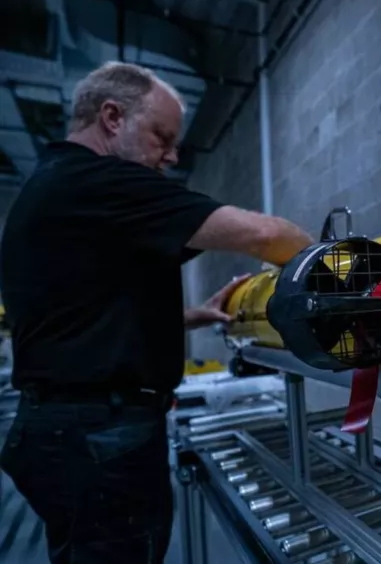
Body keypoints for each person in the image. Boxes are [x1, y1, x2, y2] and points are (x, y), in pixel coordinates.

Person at [0, 61, 314, 563]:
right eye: (161, 137)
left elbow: (81, 314)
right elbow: (265, 235)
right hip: (97, 437)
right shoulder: (100, 182)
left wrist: (192, 315)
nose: (170, 156)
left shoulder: (55, 184)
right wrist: (336, 271)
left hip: (62, 429)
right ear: (112, 118)